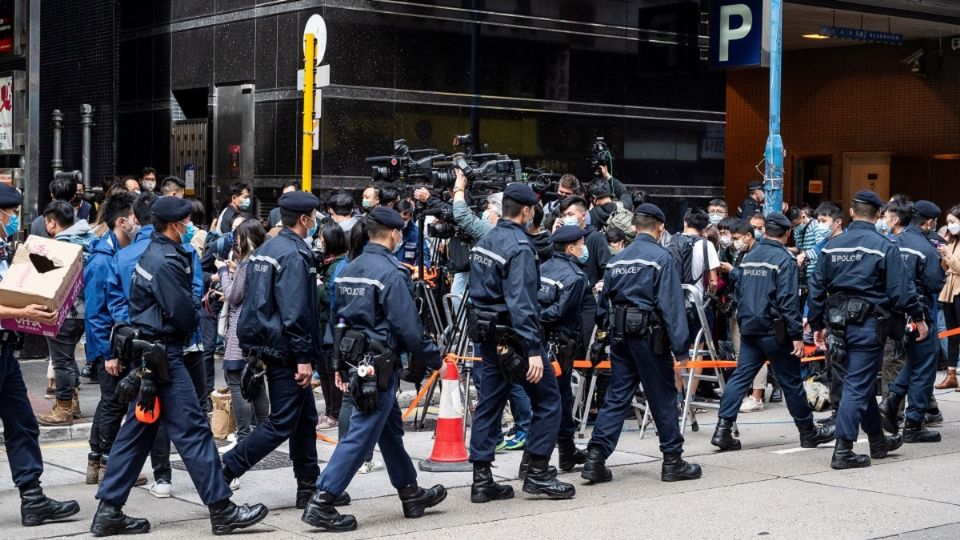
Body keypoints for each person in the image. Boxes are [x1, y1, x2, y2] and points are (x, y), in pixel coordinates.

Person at [92, 196, 268, 536]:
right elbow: (186, 315)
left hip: (150, 355)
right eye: (187, 223)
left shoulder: (152, 252)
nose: (190, 228)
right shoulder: (165, 260)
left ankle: (109, 510)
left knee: (137, 432)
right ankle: (222, 508)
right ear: (175, 225)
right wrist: (191, 302)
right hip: (164, 356)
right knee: (193, 430)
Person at [302, 207, 447, 532]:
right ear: (394, 234)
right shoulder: (391, 272)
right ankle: (322, 500)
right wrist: (436, 359)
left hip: (356, 361)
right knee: (361, 434)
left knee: (390, 431)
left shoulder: (349, 269)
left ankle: (410, 493)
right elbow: (408, 328)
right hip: (379, 365)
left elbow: (339, 320)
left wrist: (338, 363)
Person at [221, 191, 336, 511]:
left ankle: (308, 486)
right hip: (287, 350)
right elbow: (296, 309)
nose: (316, 223)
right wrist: (303, 358)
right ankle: (227, 467)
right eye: (313, 217)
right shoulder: (295, 253)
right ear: (303, 220)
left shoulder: (267, 249)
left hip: (269, 346)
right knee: (282, 421)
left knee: (304, 418)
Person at [467, 183, 575, 503]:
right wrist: (532, 351)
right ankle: (538, 472)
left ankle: (482, 479)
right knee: (549, 400)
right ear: (527, 211)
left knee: (490, 404)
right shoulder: (520, 247)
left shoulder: (485, 239)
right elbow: (521, 303)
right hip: (515, 337)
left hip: (488, 335)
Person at [581, 203, 701, 484]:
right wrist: (680, 347)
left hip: (620, 337)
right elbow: (671, 305)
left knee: (617, 396)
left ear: (634, 227)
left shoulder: (618, 260)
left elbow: (604, 304)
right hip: (651, 338)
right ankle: (673, 460)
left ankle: (595, 458)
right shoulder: (661, 257)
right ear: (660, 227)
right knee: (662, 396)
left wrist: (602, 334)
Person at [807, 190, 927, 470]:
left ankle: (877, 441)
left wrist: (815, 324)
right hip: (868, 325)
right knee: (858, 385)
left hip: (837, 326)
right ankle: (843, 450)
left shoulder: (832, 245)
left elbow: (815, 286)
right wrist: (918, 317)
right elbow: (901, 290)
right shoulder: (883, 245)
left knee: (856, 383)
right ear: (878, 215)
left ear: (850, 213)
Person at [711, 213, 836, 451]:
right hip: (775, 332)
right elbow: (788, 301)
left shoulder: (749, 257)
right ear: (787, 233)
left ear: (764, 231)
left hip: (749, 329)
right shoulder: (784, 259)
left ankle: (723, 429)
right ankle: (808, 432)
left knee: (740, 378)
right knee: (791, 383)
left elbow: (740, 293)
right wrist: (797, 335)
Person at [0, 184, 81, 528]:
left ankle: (32, 499)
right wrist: (28, 314)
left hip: (5, 350)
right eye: (10, 212)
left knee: (22, 424)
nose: (14, 217)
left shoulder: (4, 248)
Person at [83, 192, 148, 486]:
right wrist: (108, 355)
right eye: (135, 219)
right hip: (109, 347)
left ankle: (95, 463)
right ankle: (109, 467)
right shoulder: (101, 260)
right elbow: (96, 314)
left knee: (110, 403)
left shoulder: (116, 253)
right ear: (122, 222)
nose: (138, 224)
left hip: (115, 344)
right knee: (114, 403)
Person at [878, 200, 945, 443]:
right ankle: (914, 423)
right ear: (929, 223)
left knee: (914, 361)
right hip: (918, 312)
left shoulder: (891, 242)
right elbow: (935, 283)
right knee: (925, 365)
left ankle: (891, 400)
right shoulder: (926, 248)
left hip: (890, 312)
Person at [36, 201, 96, 427]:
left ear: (52, 222)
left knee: (61, 361)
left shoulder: (59, 246)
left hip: (66, 312)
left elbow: (48, 282)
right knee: (68, 359)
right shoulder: (90, 238)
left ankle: (63, 409)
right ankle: (72, 404)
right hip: (86, 309)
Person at [538, 226, 590, 472]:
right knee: (556, 400)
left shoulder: (543, 267)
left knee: (554, 398)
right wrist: (541, 317)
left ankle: (567, 452)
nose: (584, 248)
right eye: (581, 243)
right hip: (560, 345)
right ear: (570, 248)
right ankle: (537, 462)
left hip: (540, 342)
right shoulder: (576, 276)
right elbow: (561, 312)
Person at [217, 218, 270, 450]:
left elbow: (233, 295)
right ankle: (265, 430)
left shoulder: (247, 265)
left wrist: (223, 273)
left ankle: (243, 433)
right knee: (256, 380)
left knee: (236, 380)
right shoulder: (265, 262)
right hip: (259, 331)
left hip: (241, 330)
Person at [316, 223, 349, 431]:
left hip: (331, 326)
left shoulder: (338, 266)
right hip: (323, 326)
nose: (319, 241)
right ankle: (329, 411)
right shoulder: (331, 263)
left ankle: (333, 413)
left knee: (330, 370)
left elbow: (330, 297)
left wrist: (318, 285)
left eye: (321, 238)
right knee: (325, 369)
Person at [937, 204, 960, 390]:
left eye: (953, 222)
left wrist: (949, 257)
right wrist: (944, 257)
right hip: (949, 290)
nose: (950, 225)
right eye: (948, 222)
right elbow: (947, 267)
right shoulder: (952, 241)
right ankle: (951, 374)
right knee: (952, 333)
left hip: (959, 289)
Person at [394, 199, 430, 266]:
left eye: (405, 219)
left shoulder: (416, 232)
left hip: (409, 273)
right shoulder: (386, 229)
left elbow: (424, 254)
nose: (402, 222)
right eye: (399, 218)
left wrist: (422, 266)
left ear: (410, 216)